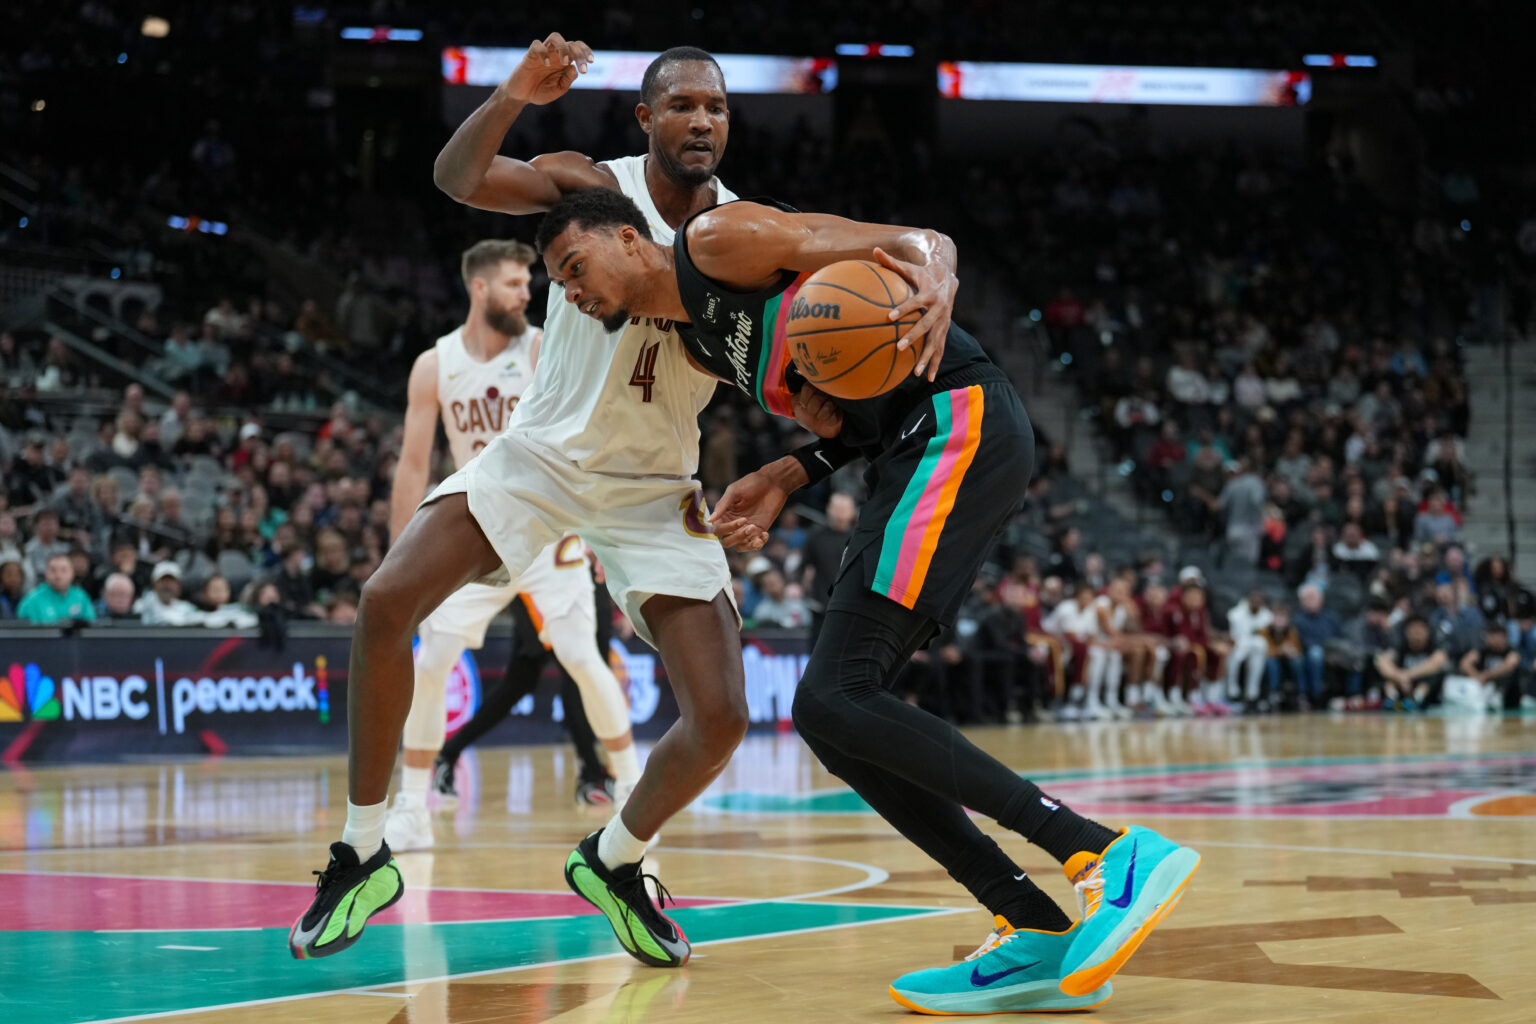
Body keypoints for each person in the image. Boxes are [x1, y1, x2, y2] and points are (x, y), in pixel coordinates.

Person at [536, 186, 1199, 1010]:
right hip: (912, 448)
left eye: (573, 265)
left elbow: (919, 239)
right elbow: (853, 420)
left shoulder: (719, 241)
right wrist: (789, 470)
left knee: (839, 692)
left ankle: (1102, 853)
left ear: (632, 239)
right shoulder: (704, 346)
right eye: (556, 282)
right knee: (832, 714)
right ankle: (1028, 922)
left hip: (958, 419)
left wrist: (940, 274)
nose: (569, 289)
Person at [290, 38, 750, 969]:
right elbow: (459, 178)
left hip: (658, 487)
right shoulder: (592, 187)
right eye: (684, 105)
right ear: (647, 119)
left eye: (716, 107)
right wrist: (511, 94)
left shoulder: (747, 232)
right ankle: (362, 849)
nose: (702, 120)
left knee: (724, 717)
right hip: (541, 456)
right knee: (385, 604)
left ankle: (616, 860)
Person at [382, 238, 640, 853]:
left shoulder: (545, 348)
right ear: (479, 288)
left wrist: (604, 526)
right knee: (432, 657)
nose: (528, 293)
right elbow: (413, 464)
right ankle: (413, 807)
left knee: (582, 654)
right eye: (514, 284)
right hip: (475, 525)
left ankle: (631, 785)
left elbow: (592, 437)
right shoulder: (435, 364)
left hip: (550, 525)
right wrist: (400, 556)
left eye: (530, 282)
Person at [1375, 615, 1448, 711]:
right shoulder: (1400, 647)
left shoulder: (1433, 646)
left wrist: (1408, 675)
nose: (1417, 635)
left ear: (1427, 632)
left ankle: (1415, 700)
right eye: (1413, 631)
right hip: (1402, 686)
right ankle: (1392, 700)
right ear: (1407, 632)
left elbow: (1437, 662)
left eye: (1420, 631)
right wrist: (1398, 676)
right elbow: (1382, 661)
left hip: (1425, 692)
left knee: (1433, 677)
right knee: (1388, 681)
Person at [1224, 590, 1273, 712]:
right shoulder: (1236, 614)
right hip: (1238, 645)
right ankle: (1232, 691)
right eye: (1253, 600)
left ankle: (1252, 694)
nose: (1256, 603)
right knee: (1234, 658)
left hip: (1256, 648)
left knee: (1260, 648)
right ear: (1248, 600)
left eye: (1259, 601)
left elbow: (1265, 636)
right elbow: (1233, 636)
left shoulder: (1267, 615)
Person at [1458, 621, 1522, 712]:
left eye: (1495, 636)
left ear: (1504, 637)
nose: (1492, 639)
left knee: (1509, 676)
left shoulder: (1511, 651)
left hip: (1507, 694)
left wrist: (1487, 676)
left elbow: (1510, 664)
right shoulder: (1484, 650)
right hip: (1484, 688)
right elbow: (1465, 663)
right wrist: (1476, 676)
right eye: (1490, 636)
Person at [17, 553, 96, 624]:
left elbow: (91, 624)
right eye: (53, 570)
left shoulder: (81, 596)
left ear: (72, 573)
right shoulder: (32, 599)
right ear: (46, 573)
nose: (58, 575)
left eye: (64, 570)